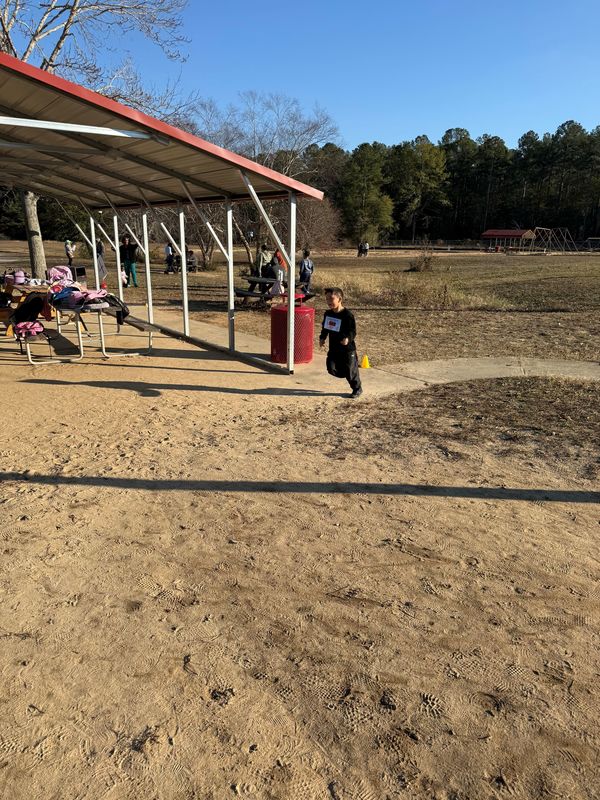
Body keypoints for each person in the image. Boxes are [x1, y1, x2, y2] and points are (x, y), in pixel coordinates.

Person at [319, 287, 362, 399]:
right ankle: (347, 372)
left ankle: (357, 388)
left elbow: (352, 331)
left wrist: (347, 338)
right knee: (331, 368)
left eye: (331, 299)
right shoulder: (328, 314)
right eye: (327, 299)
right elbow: (325, 328)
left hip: (347, 349)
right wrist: (322, 338)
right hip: (334, 348)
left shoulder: (347, 315)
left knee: (350, 371)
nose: (328, 301)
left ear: (340, 299)